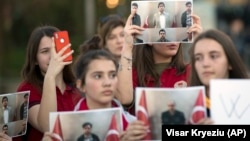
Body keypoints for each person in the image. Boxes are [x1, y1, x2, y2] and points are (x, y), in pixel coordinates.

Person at [116, 11, 203, 115]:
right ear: (149, 39)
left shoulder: (189, 71)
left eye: (177, 33)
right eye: (165, 33)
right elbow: (124, 99)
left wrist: (200, 40)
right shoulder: (132, 74)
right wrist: (127, 45)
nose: (173, 40)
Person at [15, 25, 82, 141]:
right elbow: (47, 126)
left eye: (56, 49)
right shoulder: (26, 89)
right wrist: (50, 76)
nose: (53, 56)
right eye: (45, 51)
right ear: (35, 59)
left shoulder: (78, 88)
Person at [188, 29, 249, 123]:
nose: (205, 64)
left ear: (230, 62)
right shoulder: (186, 109)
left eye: (213, 56)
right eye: (198, 58)